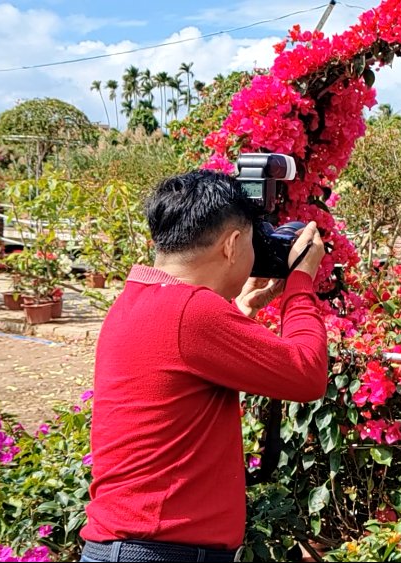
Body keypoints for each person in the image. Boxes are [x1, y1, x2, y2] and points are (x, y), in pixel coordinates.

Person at [80, 170, 329, 562]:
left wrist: (240, 310)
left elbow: (182, 362)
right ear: (231, 245)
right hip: (158, 552)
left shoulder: (138, 299)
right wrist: (301, 282)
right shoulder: (191, 313)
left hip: (132, 547)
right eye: (252, 239)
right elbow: (307, 373)